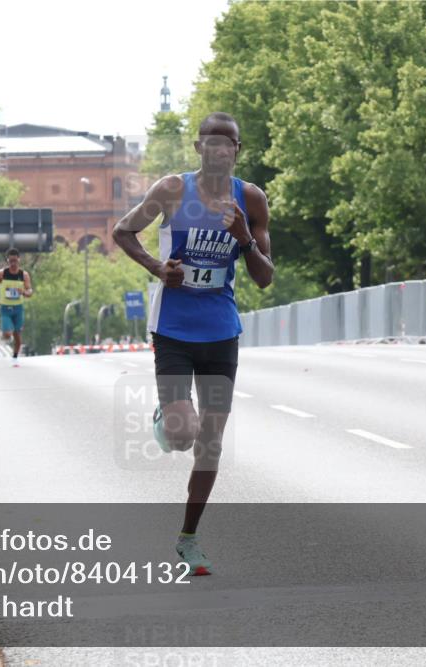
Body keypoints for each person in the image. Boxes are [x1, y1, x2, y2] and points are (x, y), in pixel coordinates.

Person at [112, 112, 274, 576]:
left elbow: (265, 278)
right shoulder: (171, 190)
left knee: (211, 442)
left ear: (237, 150)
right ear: (199, 147)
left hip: (221, 331)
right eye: (212, 142)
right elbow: (123, 231)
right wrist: (156, 267)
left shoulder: (251, 199)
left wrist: (245, 240)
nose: (220, 149)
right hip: (174, 329)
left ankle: (188, 537)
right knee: (184, 435)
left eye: (229, 143)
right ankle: (168, 414)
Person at [0, 248, 33, 367]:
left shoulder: (24, 275)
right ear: (8, 261)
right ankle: (8, 332)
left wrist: (24, 292)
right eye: (10, 261)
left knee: (18, 337)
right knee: (8, 334)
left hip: (18, 308)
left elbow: (30, 291)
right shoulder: (2, 273)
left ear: (19, 260)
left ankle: (15, 357)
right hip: (5, 308)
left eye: (15, 261)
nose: (13, 263)